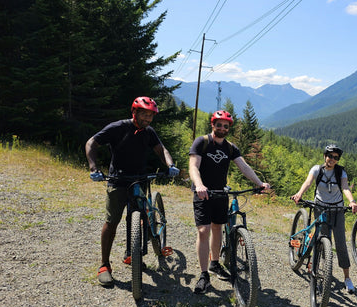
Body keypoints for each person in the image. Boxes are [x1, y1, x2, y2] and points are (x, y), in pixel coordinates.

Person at [85, 96, 180, 286]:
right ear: (134, 112)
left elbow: (161, 149)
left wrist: (170, 165)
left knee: (140, 218)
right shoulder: (118, 127)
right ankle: (104, 265)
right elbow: (91, 143)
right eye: (144, 114)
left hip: (140, 180)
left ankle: (132, 255)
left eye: (151, 115)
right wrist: (93, 168)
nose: (147, 119)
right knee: (112, 222)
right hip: (117, 180)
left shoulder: (149, 132)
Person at [189, 110, 270, 294]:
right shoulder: (202, 142)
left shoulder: (230, 148)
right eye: (219, 125)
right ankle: (203, 276)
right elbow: (193, 166)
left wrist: (259, 184)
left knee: (218, 227)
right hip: (203, 193)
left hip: (220, 193)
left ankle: (214, 264)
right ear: (213, 124)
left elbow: (244, 167)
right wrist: (199, 185)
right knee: (204, 230)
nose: (222, 128)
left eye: (226, 126)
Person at [291, 144, 357, 294]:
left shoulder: (340, 171)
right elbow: (308, 182)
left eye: (336, 157)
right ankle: (319, 272)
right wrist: (299, 194)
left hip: (337, 209)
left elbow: (345, 187)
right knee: (322, 240)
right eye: (330, 156)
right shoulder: (317, 169)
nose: (332, 159)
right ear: (324, 156)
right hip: (320, 208)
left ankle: (347, 278)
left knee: (341, 243)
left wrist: (352, 201)